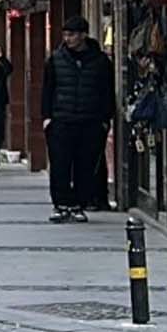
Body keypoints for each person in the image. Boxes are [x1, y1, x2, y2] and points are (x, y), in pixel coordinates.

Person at [42, 18, 116, 221]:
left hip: (90, 122)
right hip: (61, 120)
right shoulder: (56, 60)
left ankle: (78, 204)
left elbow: (107, 92)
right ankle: (61, 204)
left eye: (72, 35)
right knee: (60, 165)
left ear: (84, 35)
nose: (68, 39)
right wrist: (47, 118)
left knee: (85, 166)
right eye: (65, 35)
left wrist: (105, 120)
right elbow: (47, 90)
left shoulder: (100, 61)